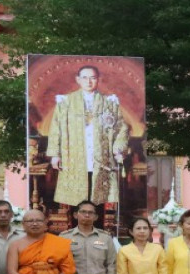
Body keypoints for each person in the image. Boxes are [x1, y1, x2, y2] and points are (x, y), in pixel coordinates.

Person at [47, 65, 129, 206]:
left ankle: (97, 227)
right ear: (78, 79)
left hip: (100, 158)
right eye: (85, 77)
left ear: (98, 80)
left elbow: (121, 127)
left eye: (93, 78)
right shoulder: (66, 102)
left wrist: (118, 149)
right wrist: (55, 155)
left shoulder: (109, 102)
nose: (88, 81)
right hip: (74, 157)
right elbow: (56, 128)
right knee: (77, 201)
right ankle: (77, 227)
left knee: (98, 200)